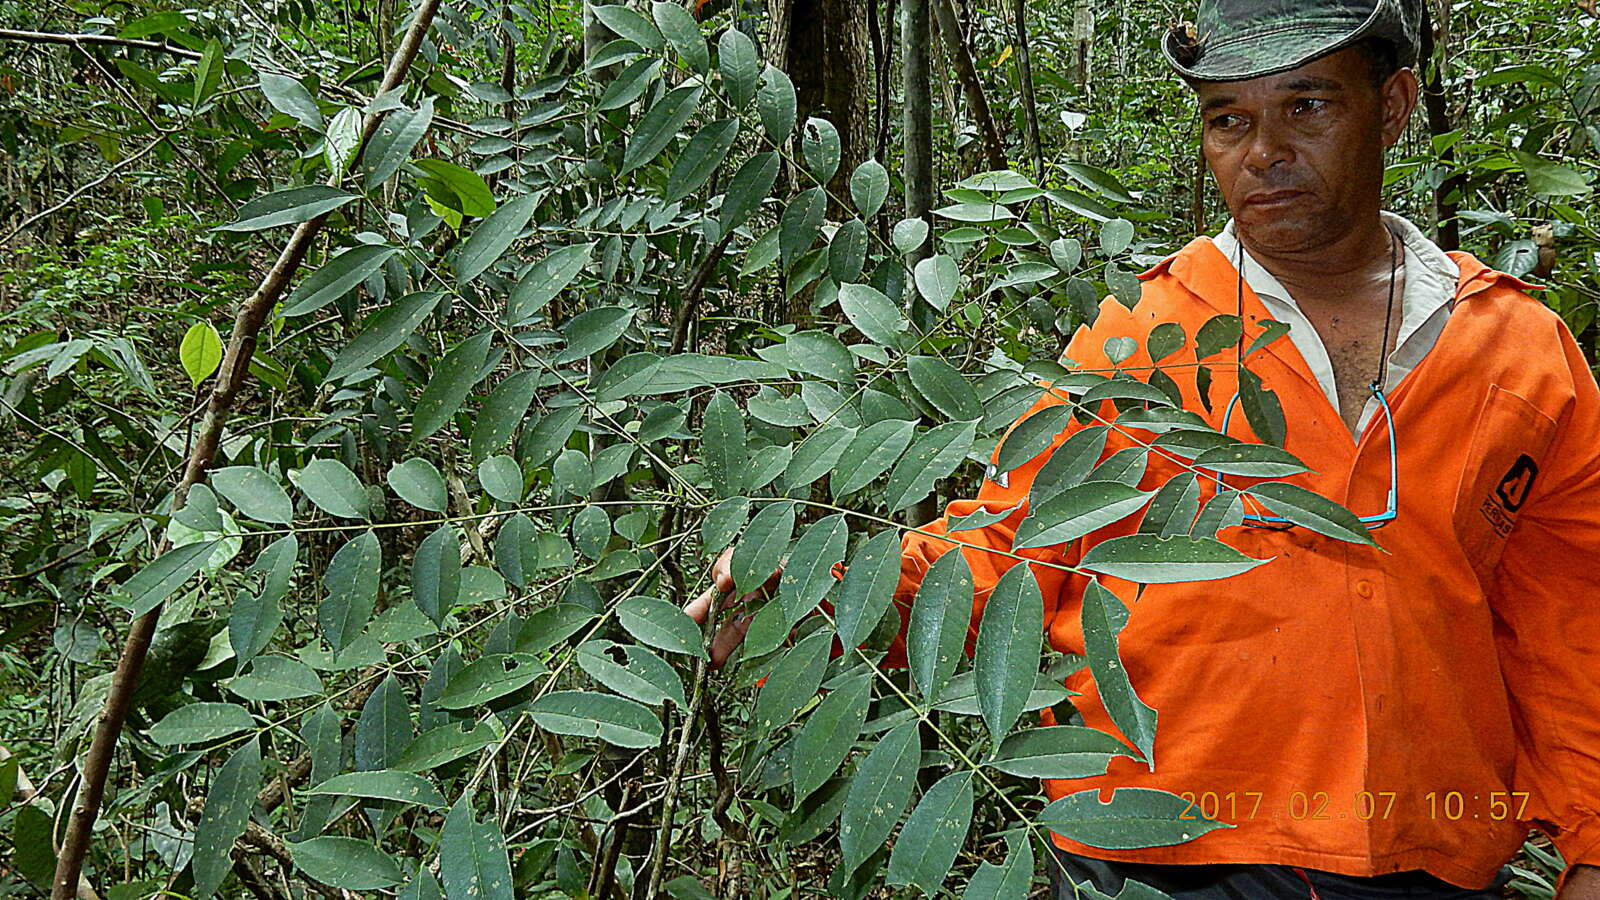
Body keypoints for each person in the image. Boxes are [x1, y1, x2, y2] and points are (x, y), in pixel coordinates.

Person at [686, 0, 1600, 896]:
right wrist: (823, 583)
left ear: (1394, 106)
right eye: (1228, 120)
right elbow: (1019, 543)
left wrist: (1590, 840)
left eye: (1308, 105)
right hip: (1154, 844)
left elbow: (1570, 620)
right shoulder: (1142, 334)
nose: (1264, 151)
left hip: (1423, 847)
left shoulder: (1517, 350)